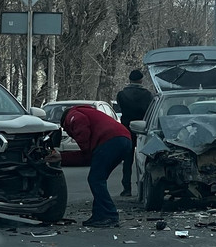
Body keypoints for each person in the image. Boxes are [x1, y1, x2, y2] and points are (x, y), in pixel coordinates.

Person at [60, 104, 132, 227]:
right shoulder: (89, 113)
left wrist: (83, 145)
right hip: (124, 140)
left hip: (110, 140)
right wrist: (63, 157)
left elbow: (79, 122)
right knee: (98, 178)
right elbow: (87, 157)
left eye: (67, 130)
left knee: (96, 179)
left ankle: (109, 215)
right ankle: (99, 215)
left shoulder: (72, 115)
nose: (69, 133)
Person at [115, 69, 154, 197]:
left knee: (127, 160)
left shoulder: (122, 94)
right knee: (145, 158)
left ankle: (127, 188)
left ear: (130, 79)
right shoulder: (148, 95)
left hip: (126, 128)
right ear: (141, 80)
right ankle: (143, 186)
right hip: (144, 129)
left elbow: (121, 108)